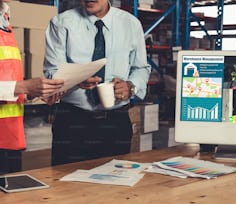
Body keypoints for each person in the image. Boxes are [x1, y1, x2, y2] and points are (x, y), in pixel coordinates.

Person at [43, 0, 151, 165]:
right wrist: (76, 79)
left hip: (116, 122)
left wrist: (130, 86)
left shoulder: (130, 24)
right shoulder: (61, 23)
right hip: (72, 121)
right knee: (64, 185)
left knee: (113, 184)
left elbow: (141, 68)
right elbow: (52, 72)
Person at [0, 0, 64, 174]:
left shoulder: (4, 16)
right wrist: (24, 87)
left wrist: (34, 92)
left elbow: (7, 77)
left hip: (9, 136)